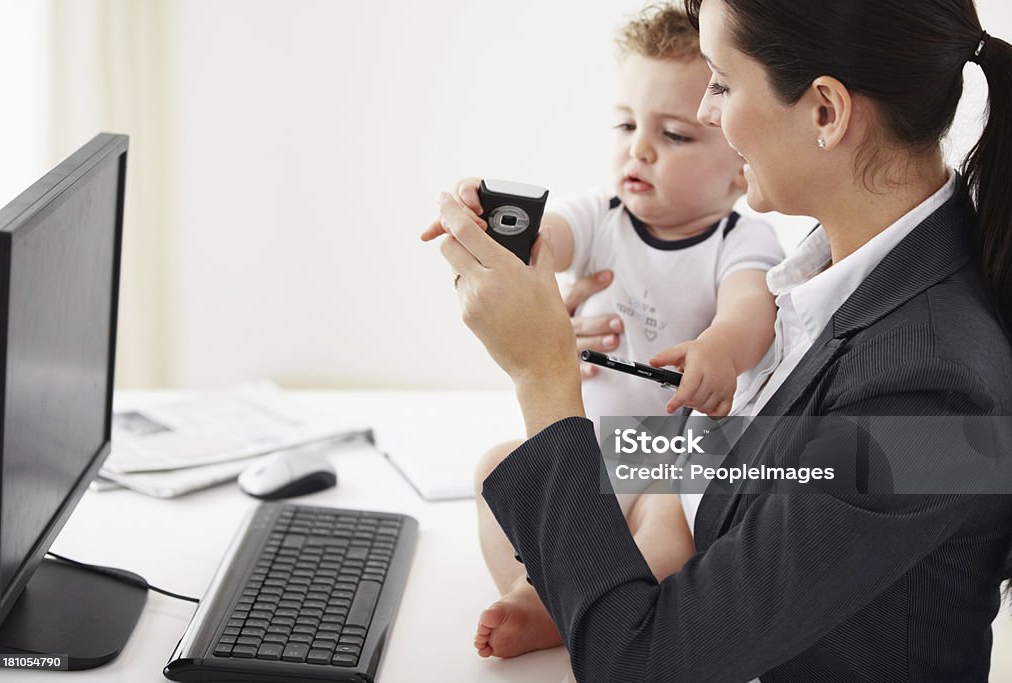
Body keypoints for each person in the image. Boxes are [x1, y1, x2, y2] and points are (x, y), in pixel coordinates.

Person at [428, 0, 1012, 679]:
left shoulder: (931, 393)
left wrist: (542, 375)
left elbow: (639, 661)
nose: (707, 112)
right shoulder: (852, 282)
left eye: (723, 83)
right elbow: (761, 470)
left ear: (826, 111)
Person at [422, 4, 783, 659]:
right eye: (626, 124)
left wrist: (719, 348)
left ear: (740, 169)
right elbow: (547, 241)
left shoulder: (740, 237)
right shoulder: (602, 215)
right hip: (587, 452)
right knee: (494, 470)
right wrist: (496, 219)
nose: (638, 148)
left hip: (665, 466)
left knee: (672, 527)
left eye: (674, 135)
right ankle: (539, 596)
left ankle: (591, 608)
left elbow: (751, 309)